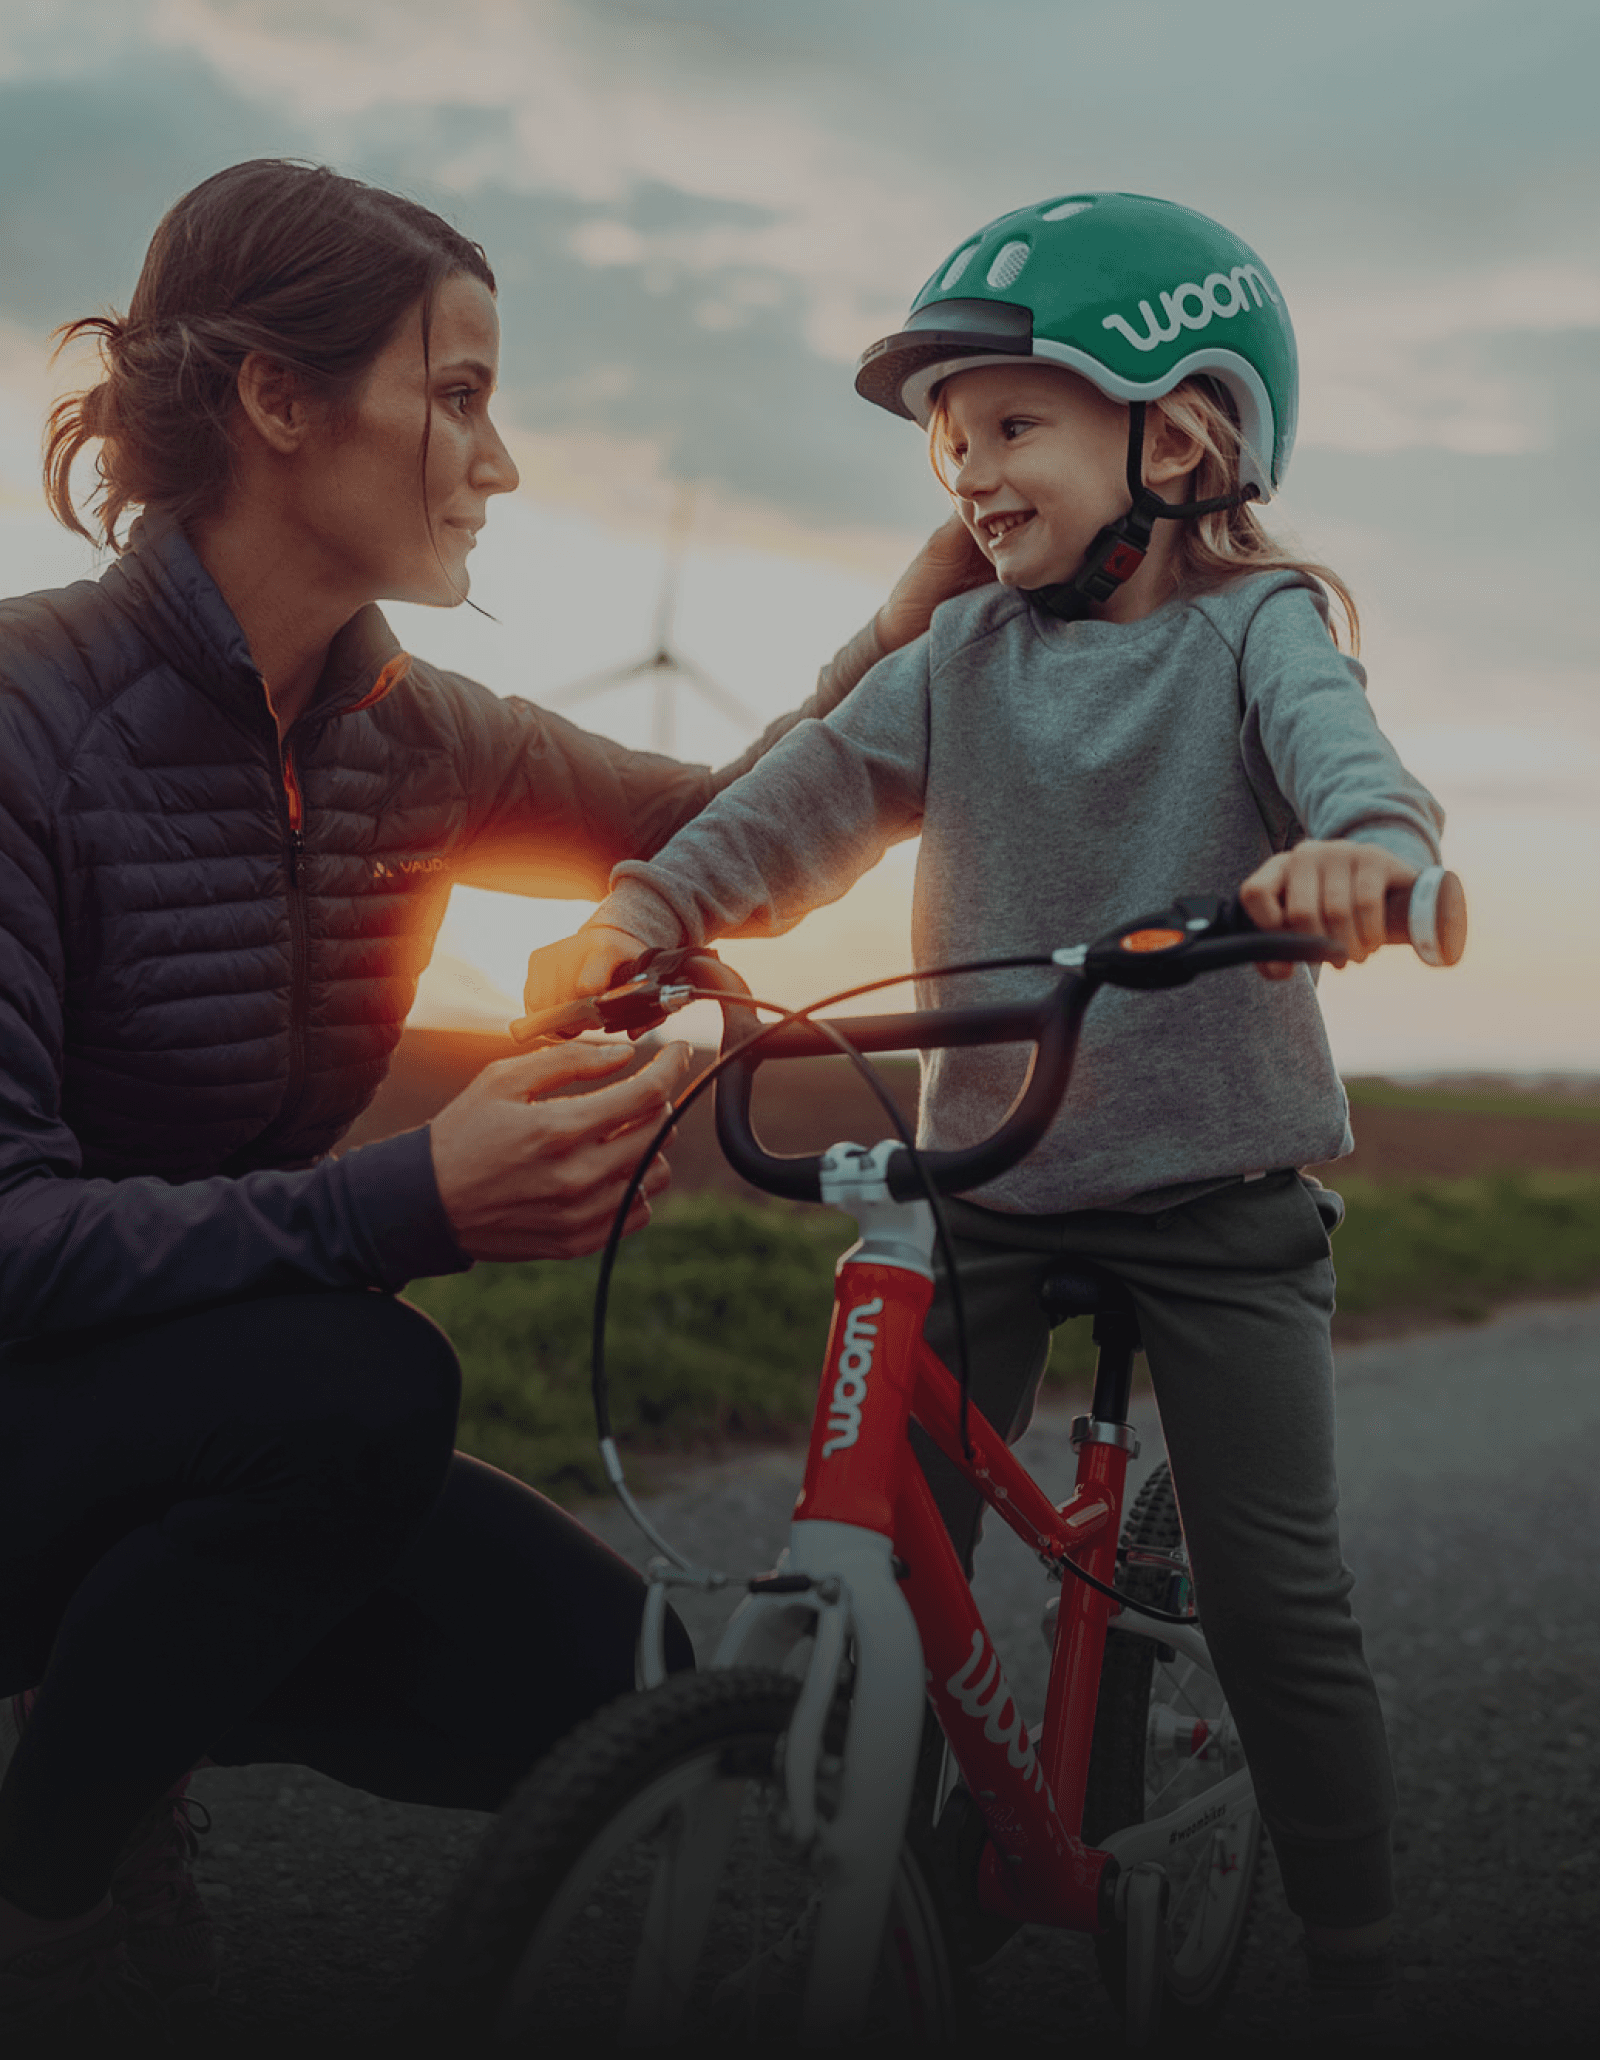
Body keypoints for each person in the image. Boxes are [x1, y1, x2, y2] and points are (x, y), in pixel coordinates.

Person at [0, 158, 990, 2047]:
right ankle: (44, 1900)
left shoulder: (416, 733)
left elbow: (727, 817)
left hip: (189, 1409)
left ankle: (104, 1744)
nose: (501, 459)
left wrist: (916, 631)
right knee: (363, 1380)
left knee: (625, 1694)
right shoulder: (25, 721)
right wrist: (408, 1207)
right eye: (456, 394)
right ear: (281, 403)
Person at [520, 193, 1446, 2032]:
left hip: (1216, 1189)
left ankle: (1359, 1948)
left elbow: (1349, 762)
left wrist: (1367, 855)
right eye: (950, 442)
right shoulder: (955, 663)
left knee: (1274, 1597)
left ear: (1178, 437)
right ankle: (910, 1852)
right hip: (994, 1176)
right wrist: (648, 909)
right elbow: (799, 798)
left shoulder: (1255, 634)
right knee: (882, 1530)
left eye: (1012, 423)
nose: (967, 471)